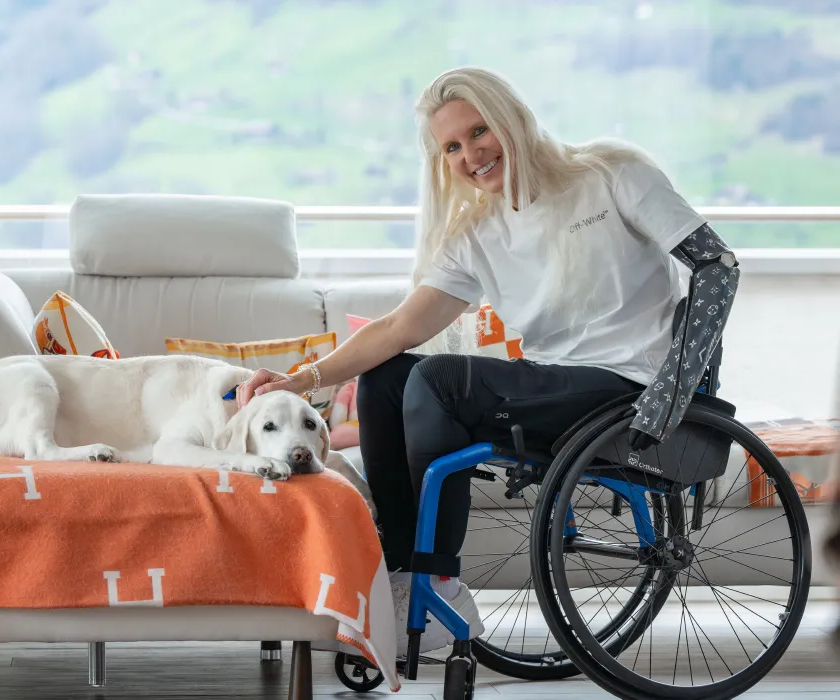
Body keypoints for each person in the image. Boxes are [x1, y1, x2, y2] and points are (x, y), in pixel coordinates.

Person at [237, 66, 740, 654]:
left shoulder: (612, 173)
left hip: (631, 387)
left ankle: (439, 578)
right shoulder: (475, 232)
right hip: (559, 387)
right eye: (451, 146)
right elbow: (400, 326)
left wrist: (675, 386)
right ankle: (405, 580)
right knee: (388, 378)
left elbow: (716, 265)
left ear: (512, 120)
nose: (470, 154)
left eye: (479, 132)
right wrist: (301, 379)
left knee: (440, 378)